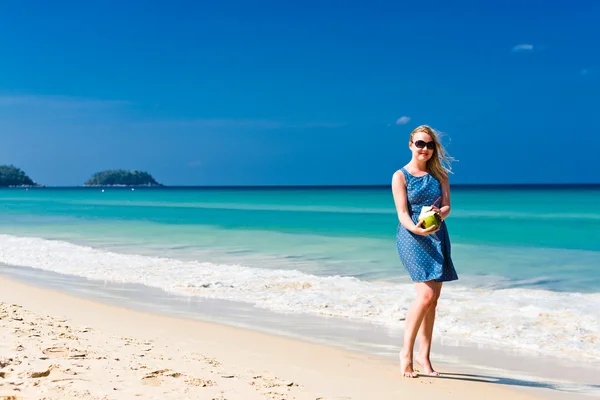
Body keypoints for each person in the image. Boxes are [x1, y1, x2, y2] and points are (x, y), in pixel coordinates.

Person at [391, 125, 458, 378]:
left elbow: (448, 205)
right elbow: (402, 213)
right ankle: (406, 354)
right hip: (412, 237)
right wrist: (417, 230)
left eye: (430, 145)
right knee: (426, 296)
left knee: (434, 300)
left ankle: (424, 356)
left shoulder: (440, 175)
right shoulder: (400, 176)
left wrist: (439, 214)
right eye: (420, 144)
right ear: (411, 144)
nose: (425, 149)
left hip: (437, 234)